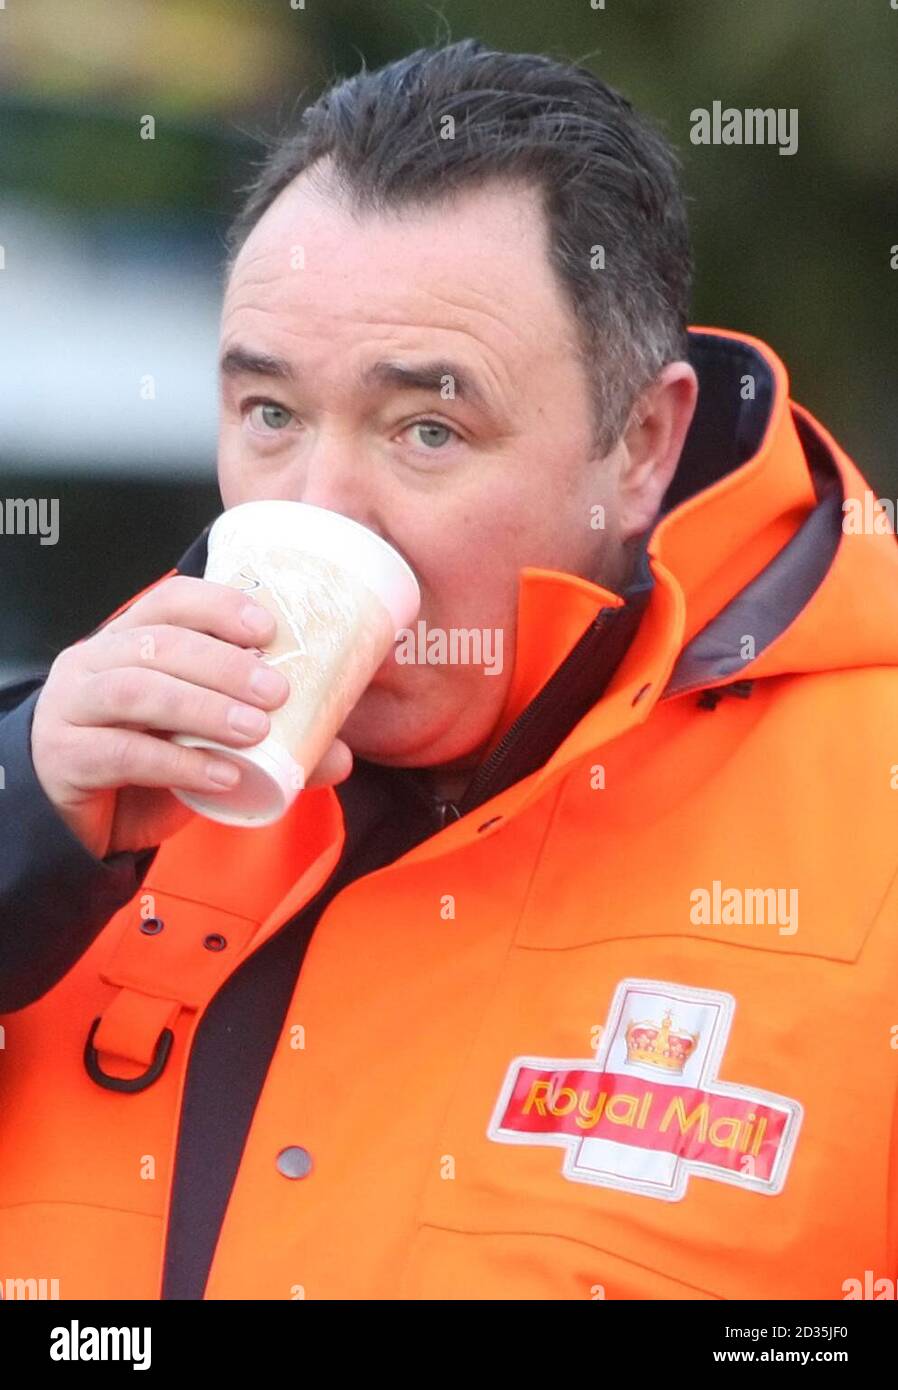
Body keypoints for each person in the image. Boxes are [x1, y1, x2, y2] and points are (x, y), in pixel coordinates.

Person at [1, 38, 896, 1302]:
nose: (324, 505)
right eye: (270, 415)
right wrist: (23, 823)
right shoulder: (83, 780)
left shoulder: (865, 803)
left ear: (639, 446)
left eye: (428, 428)